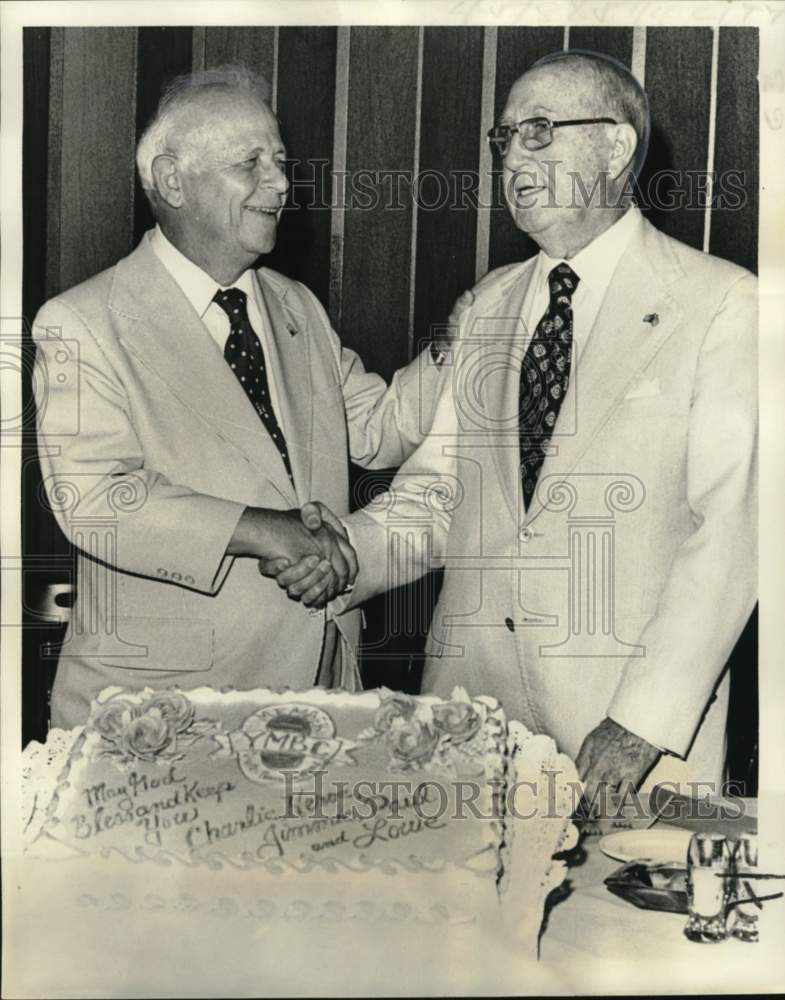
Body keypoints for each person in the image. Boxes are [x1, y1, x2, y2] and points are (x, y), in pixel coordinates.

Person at [273, 50, 758, 804]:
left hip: (632, 735)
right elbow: (437, 497)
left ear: (616, 145)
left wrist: (640, 720)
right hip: (471, 721)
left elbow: (732, 529)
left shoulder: (723, 303)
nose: (512, 158)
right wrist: (342, 554)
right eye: (503, 140)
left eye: (539, 131)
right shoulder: (490, 304)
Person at [32, 65, 466, 728]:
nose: (282, 184)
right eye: (251, 163)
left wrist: (451, 347)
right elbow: (95, 499)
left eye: (282, 161)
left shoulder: (296, 306)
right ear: (173, 179)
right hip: (163, 722)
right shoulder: (82, 322)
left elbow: (376, 430)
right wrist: (268, 531)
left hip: (317, 700)